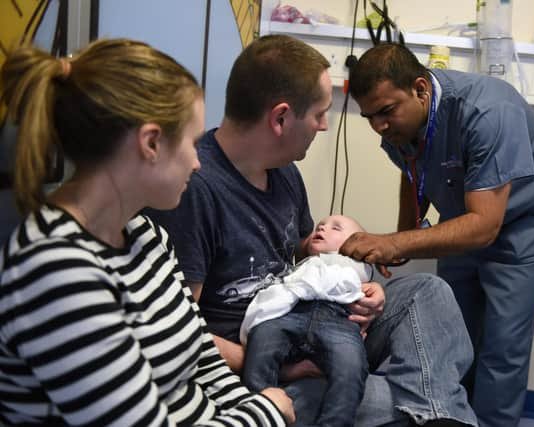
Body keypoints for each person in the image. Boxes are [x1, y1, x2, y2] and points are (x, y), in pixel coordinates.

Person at [147, 34, 477, 427]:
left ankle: (432, 411)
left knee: (428, 292)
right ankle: (435, 411)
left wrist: (364, 288)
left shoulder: (284, 171)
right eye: (320, 113)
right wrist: (279, 368)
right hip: (258, 365)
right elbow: (180, 330)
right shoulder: (195, 190)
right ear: (281, 118)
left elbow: (301, 251)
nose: (324, 127)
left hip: (317, 323)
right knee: (415, 396)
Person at [0, 38, 294, 426]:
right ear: (151, 143)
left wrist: (253, 406)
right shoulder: (55, 270)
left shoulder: (145, 234)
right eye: (191, 144)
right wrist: (266, 413)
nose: (197, 163)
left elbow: (201, 358)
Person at [342, 42, 534, 427]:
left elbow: (484, 226)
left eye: (385, 112)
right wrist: (408, 231)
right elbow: (411, 167)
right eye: (368, 117)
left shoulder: (487, 110)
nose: (379, 127)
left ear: (420, 89)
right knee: (453, 333)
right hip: (465, 217)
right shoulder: (399, 121)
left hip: (525, 223)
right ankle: (453, 419)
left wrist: (394, 241)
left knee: (501, 347)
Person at [242, 215, 373, 427]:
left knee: (352, 365)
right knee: (261, 340)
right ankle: (258, 409)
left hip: (337, 318)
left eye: (336, 228)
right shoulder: (301, 265)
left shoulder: (357, 266)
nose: (322, 227)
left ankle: (335, 422)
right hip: (291, 311)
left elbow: (363, 276)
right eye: (321, 225)